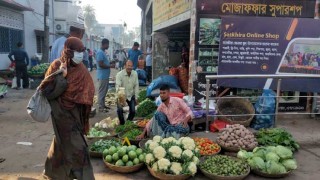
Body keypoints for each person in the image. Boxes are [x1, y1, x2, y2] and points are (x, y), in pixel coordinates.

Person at [39, 37, 95, 179]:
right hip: (60, 114)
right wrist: (61, 77)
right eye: (77, 51)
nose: (80, 54)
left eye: (82, 51)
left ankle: (53, 173)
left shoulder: (81, 68)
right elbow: (47, 92)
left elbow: (88, 88)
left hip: (75, 114)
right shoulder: (56, 66)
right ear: (69, 51)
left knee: (61, 144)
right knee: (80, 148)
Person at [116, 60, 139, 125]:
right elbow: (118, 87)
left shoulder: (135, 73)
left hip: (130, 95)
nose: (130, 67)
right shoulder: (119, 75)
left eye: (131, 66)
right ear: (125, 66)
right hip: (121, 96)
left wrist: (137, 97)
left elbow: (136, 86)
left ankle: (128, 123)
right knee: (120, 110)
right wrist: (122, 99)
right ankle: (122, 124)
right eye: (128, 66)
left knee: (133, 111)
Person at [96, 39, 111, 112]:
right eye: (108, 44)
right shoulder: (100, 53)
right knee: (102, 91)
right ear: (104, 44)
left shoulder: (103, 52)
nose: (108, 46)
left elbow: (104, 62)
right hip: (102, 75)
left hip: (105, 75)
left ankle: (103, 104)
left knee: (104, 91)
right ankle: (100, 107)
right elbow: (101, 64)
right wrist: (110, 66)